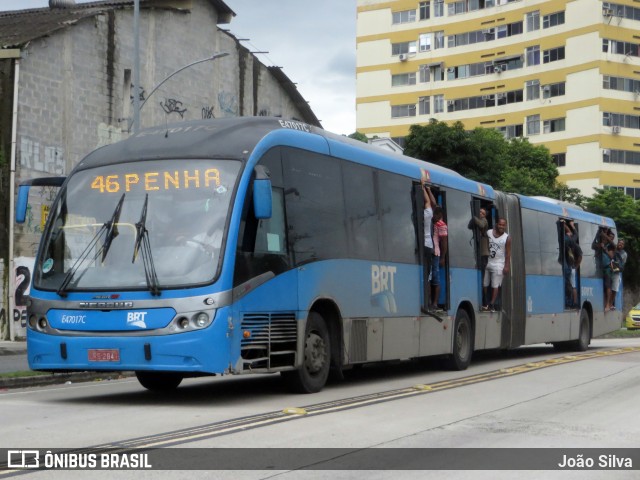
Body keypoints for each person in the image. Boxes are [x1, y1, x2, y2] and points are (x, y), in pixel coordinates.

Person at [482, 218, 511, 312]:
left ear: (505, 226)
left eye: (503, 225)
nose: (501, 226)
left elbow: (508, 253)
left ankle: (492, 304)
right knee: (485, 283)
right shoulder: (489, 232)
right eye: (500, 224)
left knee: (495, 285)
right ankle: (486, 301)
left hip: (499, 264)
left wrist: (506, 266)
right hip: (488, 261)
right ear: (496, 224)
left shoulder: (507, 238)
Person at [469, 208, 490, 304]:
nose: (480, 213)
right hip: (478, 253)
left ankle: (484, 300)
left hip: (483, 253)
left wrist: (473, 217)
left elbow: (481, 224)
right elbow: (469, 226)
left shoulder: (484, 221)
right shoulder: (477, 221)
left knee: (482, 278)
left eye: (483, 212)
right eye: (480, 212)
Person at [421, 183, 437, 313]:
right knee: (427, 276)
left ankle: (425, 302)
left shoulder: (416, 216)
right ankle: (426, 303)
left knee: (424, 276)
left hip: (423, 247)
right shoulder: (428, 214)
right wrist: (424, 188)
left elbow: (427, 202)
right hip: (428, 246)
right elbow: (429, 201)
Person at [561, 220, 582, 309]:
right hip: (571, 266)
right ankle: (573, 303)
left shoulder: (564, 240)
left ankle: (571, 302)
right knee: (572, 285)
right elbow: (575, 235)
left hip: (569, 267)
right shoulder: (572, 241)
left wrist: (563, 224)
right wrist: (570, 226)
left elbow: (580, 256)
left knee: (570, 285)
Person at [431, 205, 448, 312]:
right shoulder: (431, 223)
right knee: (430, 279)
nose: (436, 217)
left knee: (436, 280)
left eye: (438, 215)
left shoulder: (441, 224)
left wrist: (443, 257)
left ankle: (435, 303)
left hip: (436, 254)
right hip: (430, 253)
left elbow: (444, 242)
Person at [611, 238, 627, 309]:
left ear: (623, 246)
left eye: (622, 244)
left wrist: (613, 266)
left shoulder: (624, 254)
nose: (620, 244)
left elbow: (621, 265)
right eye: (619, 243)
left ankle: (611, 304)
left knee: (614, 289)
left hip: (616, 272)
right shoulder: (613, 249)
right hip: (609, 271)